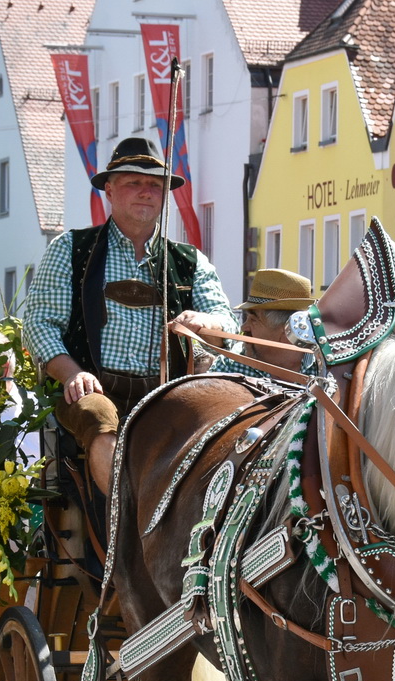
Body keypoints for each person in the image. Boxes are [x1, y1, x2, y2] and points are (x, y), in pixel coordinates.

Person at [23, 135, 236, 495]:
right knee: (99, 415)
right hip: (94, 389)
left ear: (165, 195)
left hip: (165, 394)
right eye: (133, 182)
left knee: (227, 421)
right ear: (109, 189)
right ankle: (124, 521)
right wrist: (74, 375)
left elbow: (228, 323)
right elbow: (39, 325)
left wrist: (205, 323)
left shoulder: (189, 261)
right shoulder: (72, 250)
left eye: (154, 185)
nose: (145, 191)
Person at [193, 269, 319, 379]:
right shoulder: (231, 365)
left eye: (253, 320)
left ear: (288, 328)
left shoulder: (324, 367)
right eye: (247, 318)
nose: (244, 327)